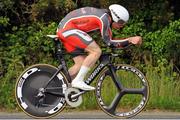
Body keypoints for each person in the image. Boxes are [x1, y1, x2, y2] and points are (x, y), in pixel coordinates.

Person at [57, 4, 142, 91]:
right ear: (115, 17)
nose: (122, 25)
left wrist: (128, 41)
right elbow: (110, 43)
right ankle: (78, 81)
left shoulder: (104, 17)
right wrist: (130, 40)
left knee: (81, 63)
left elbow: (110, 41)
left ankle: (58, 85)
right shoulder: (104, 19)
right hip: (67, 29)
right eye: (121, 22)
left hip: (65, 29)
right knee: (96, 51)